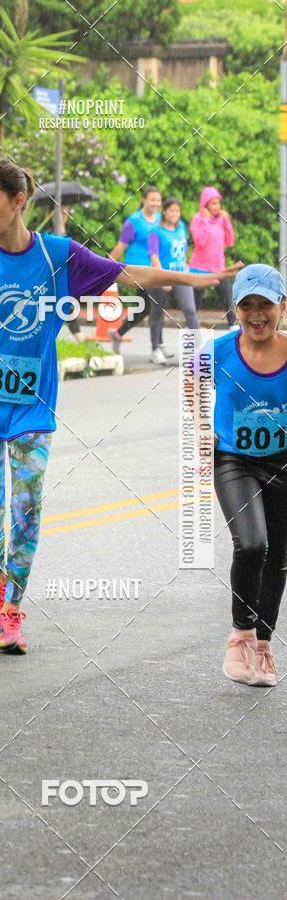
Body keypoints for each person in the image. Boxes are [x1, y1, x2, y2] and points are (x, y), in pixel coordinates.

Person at [0, 158, 240, 656]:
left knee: (28, 505)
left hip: (32, 407)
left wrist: (194, 279)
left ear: (19, 202)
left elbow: (125, 273)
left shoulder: (57, 254)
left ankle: (13, 608)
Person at [209, 264, 287, 687]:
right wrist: (198, 440)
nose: (257, 315)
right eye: (247, 306)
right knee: (253, 542)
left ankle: (263, 645)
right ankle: (240, 636)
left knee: (279, 557)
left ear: (283, 308)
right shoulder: (216, 352)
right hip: (234, 461)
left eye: (266, 306)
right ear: (234, 310)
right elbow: (192, 393)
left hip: (283, 461)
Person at [108, 185, 165, 356]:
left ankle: (117, 334)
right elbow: (121, 247)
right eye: (152, 200)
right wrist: (105, 267)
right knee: (157, 302)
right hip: (138, 270)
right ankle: (158, 347)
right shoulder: (133, 222)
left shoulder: (161, 219)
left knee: (146, 308)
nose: (155, 203)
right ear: (144, 200)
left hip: (156, 269)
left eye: (158, 200)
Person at [147, 197, 200, 364]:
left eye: (177, 211)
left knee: (190, 309)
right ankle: (155, 348)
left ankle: (199, 348)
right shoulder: (156, 232)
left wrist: (185, 265)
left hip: (181, 275)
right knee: (157, 312)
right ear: (164, 212)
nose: (175, 214)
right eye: (172, 210)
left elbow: (182, 251)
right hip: (161, 276)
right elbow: (154, 256)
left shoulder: (182, 228)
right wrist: (162, 278)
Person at [189, 186, 237, 328]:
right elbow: (200, 241)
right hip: (199, 268)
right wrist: (205, 220)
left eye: (218, 203)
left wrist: (227, 221)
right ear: (205, 204)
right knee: (194, 305)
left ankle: (233, 327)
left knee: (228, 299)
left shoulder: (221, 220)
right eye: (213, 203)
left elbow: (229, 242)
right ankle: (190, 331)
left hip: (218, 268)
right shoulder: (197, 219)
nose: (217, 207)